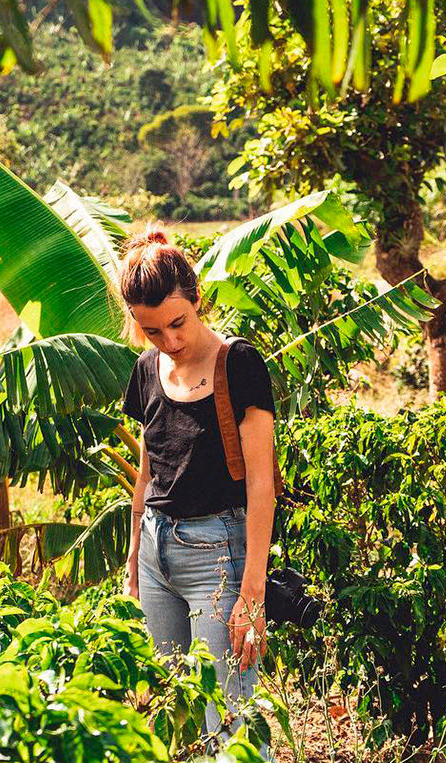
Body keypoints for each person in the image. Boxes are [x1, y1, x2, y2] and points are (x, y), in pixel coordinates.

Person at [119, 229, 277, 749]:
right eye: (152, 331)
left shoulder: (240, 364)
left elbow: (261, 485)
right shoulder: (146, 371)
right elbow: (148, 471)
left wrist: (252, 592)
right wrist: (134, 558)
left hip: (219, 555)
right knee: (170, 713)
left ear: (197, 299)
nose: (169, 341)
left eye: (177, 323)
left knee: (229, 719)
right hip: (155, 554)